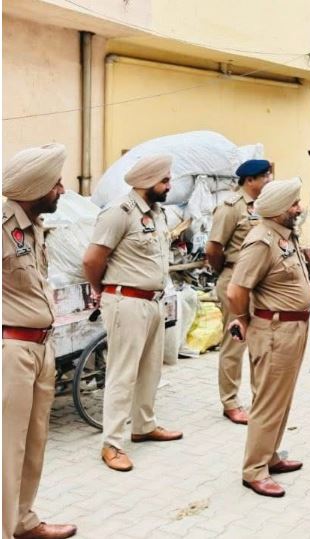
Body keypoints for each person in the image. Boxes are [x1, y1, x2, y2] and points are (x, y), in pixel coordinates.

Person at [225, 177, 310, 497]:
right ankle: (254, 470)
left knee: (282, 398)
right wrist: (241, 319)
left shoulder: (284, 237)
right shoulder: (261, 242)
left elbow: (290, 281)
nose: (299, 208)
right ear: (279, 209)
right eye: (294, 204)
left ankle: (270, 456)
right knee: (268, 401)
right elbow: (236, 290)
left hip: (293, 329)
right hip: (275, 332)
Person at [84, 154, 183, 472]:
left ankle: (144, 426)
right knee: (122, 374)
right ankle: (112, 444)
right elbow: (92, 260)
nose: (169, 186)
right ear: (147, 182)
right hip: (126, 301)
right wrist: (103, 290)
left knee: (150, 369)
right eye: (165, 180)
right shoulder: (119, 212)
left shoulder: (157, 213)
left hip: (153, 302)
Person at [3, 144, 78, 539]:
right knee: (7, 447)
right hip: (11, 350)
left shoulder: (34, 229)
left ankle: (23, 521)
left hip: (40, 347)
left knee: (33, 442)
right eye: (56, 184)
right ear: (35, 188)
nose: (61, 190)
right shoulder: (1, 228)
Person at [206, 159, 273, 425]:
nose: (269, 180)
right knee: (235, 342)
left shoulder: (265, 206)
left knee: (260, 340)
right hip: (235, 280)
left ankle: (259, 398)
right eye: (265, 176)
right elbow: (213, 249)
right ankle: (230, 402)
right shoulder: (231, 207)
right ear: (250, 180)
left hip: (260, 282)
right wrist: (227, 272)